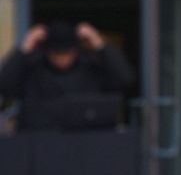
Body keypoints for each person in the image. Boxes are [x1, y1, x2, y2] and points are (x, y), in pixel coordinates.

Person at [0, 20, 135, 130]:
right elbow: (4, 83)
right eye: (56, 53)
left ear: (75, 50)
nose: (61, 58)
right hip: (39, 142)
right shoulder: (33, 69)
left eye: (66, 52)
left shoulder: (91, 68)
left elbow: (125, 78)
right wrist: (25, 46)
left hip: (86, 141)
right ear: (47, 51)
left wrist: (99, 43)